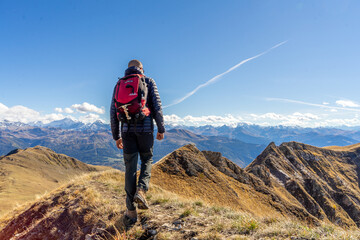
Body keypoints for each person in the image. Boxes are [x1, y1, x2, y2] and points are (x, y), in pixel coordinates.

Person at [110, 59, 165, 228]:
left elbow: (113, 111)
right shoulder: (148, 81)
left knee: (130, 168)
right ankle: (141, 190)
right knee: (147, 159)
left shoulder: (119, 83)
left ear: (128, 70)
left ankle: (130, 210)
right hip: (146, 130)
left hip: (126, 132)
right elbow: (156, 105)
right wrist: (161, 128)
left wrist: (116, 136)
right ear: (142, 68)